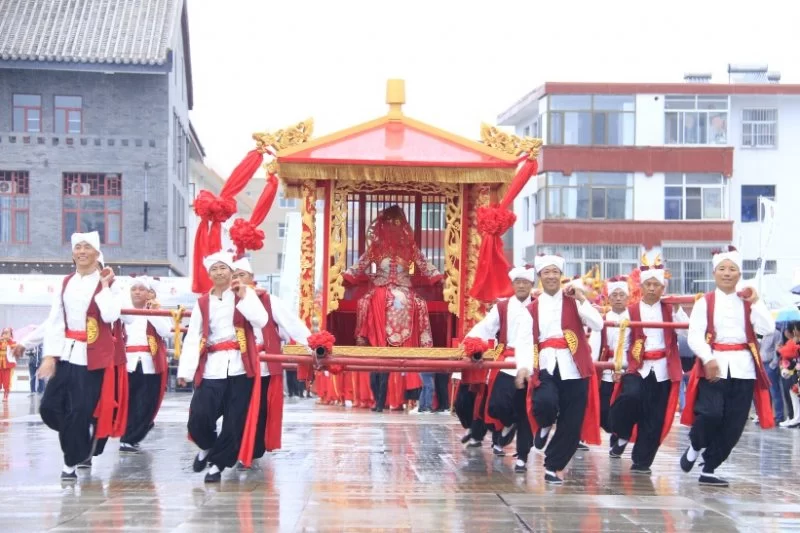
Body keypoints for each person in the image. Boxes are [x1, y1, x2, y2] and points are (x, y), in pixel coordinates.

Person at [681, 246, 776, 486]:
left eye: (732, 269)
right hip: (715, 365)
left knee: (734, 424)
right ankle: (695, 445)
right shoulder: (705, 302)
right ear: (714, 272)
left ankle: (709, 468)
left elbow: (768, 328)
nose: (727, 273)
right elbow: (694, 336)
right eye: (722, 268)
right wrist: (708, 358)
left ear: (739, 273)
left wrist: (757, 301)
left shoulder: (747, 302)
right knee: (710, 413)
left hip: (744, 368)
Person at [177, 251, 268, 483]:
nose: (219, 273)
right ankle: (207, 446)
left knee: (234, 421)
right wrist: (185, 371)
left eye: (223, 268)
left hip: (241, 367)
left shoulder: (244, 294)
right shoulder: (202, 303)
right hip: (212, 367)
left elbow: (261, 320)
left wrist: (245, 297)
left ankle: (217, 465)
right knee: (198, 417)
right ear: (209, 274)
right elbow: (193, 337)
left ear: (231, 272)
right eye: (214, 269)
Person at [38, 231, 122, 481]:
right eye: (78, 247)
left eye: (87, 247)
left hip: (92, 357)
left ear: (97, 253)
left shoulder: (110, 283)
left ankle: (70, 462)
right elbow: (55, 321)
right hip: (66, 353)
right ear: (73, 253)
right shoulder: (65, 282)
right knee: (49, 408)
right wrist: (49, 356)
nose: (82, 251)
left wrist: (104, 286)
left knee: (79, 410)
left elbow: (110, 316)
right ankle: (81, 442)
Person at [514, 254, 604, 484]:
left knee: (572, 423)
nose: (551, 276)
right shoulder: (531, 308)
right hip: (546, 365)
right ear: (540, 276)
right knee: (544, 402)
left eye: (555, 272)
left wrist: (582, 298)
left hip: (575, 367)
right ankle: (544, 424)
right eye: (547, 272)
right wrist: (523, 367)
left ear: (561, 275)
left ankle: (553, 467)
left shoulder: (574, 302)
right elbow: (524, 340)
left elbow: (598, 324)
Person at [343, 206, 441, 412]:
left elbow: (425, 265)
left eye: (397, 222)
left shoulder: (410, 248)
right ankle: (364, 336)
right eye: (389, 222)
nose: (393, 226)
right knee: (364, 302)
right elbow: (359, 265)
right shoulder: (376, 248)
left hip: (404, 290)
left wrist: (438, 278)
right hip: (381, 290)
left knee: (419, 304)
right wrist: (346, 276)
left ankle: (412, 351)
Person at [608, 256, 689, 475]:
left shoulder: (670, 309)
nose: (652, 288)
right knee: (630, 398)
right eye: (648, 284)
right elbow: (623, 342)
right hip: (638, 367)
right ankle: (622, 433)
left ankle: (642, 462)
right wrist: (619, 368)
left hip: (663, 369)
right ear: (641, 287)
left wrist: (678, 309)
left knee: (655, 418)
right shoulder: (631, 310)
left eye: (656, 284)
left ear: (663, 287)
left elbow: (684, 332)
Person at [231, 256, 311, 468]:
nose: (238, 279)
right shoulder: (225, 300)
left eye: (242, 275)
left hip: (262, 365)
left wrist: (314, 344)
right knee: (236, 409)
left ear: (252, 277)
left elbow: (291, 325)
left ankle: (252, 450)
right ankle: (234, 448)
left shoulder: (268, 300)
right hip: (233, 364)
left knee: (260, 410)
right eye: (234, 275)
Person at [472, 266, 535, 458]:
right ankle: (508, 424)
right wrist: (472, 343)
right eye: (518, 282)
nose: (522, 286)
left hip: (533, 360)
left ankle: (521, 453)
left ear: (532, 284)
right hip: (507, 360)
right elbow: (485, 328)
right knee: (496, 405)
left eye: (526, 282)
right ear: (513, 285)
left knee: (528, 407)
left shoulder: (540, 306)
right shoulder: (502, 307)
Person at [118, 276, 173, 452]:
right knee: (126, 401)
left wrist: (152, 312)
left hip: (150, 361)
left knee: (147, 401)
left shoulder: (157, 309)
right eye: (134, 289)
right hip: (127, 362)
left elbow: (166, 331)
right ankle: (128, 435)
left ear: (149, 293)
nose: (137, 292)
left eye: (141, 289)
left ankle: (131, 436)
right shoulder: (122, 311)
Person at [597, 277, 630, 452]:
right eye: (614, 295)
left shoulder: (634, 317)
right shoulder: (602, 319)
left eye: (621, 295)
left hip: (627, 368)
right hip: (606, 368)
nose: (618, 298)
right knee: (603, 410)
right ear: (608, 298)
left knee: (623, 405)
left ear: (628, 297)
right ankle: (614, 431)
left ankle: (621, 434)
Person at [0, 328, 17, 401]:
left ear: (10, 334)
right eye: (4, 333)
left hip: (8, 365)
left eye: (7, 333)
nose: (5, 334)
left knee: (7, 381)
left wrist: (9, 341)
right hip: (0, 364)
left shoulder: (12, 342)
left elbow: (14, 349)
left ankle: (5, 396)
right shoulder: (0, 341)